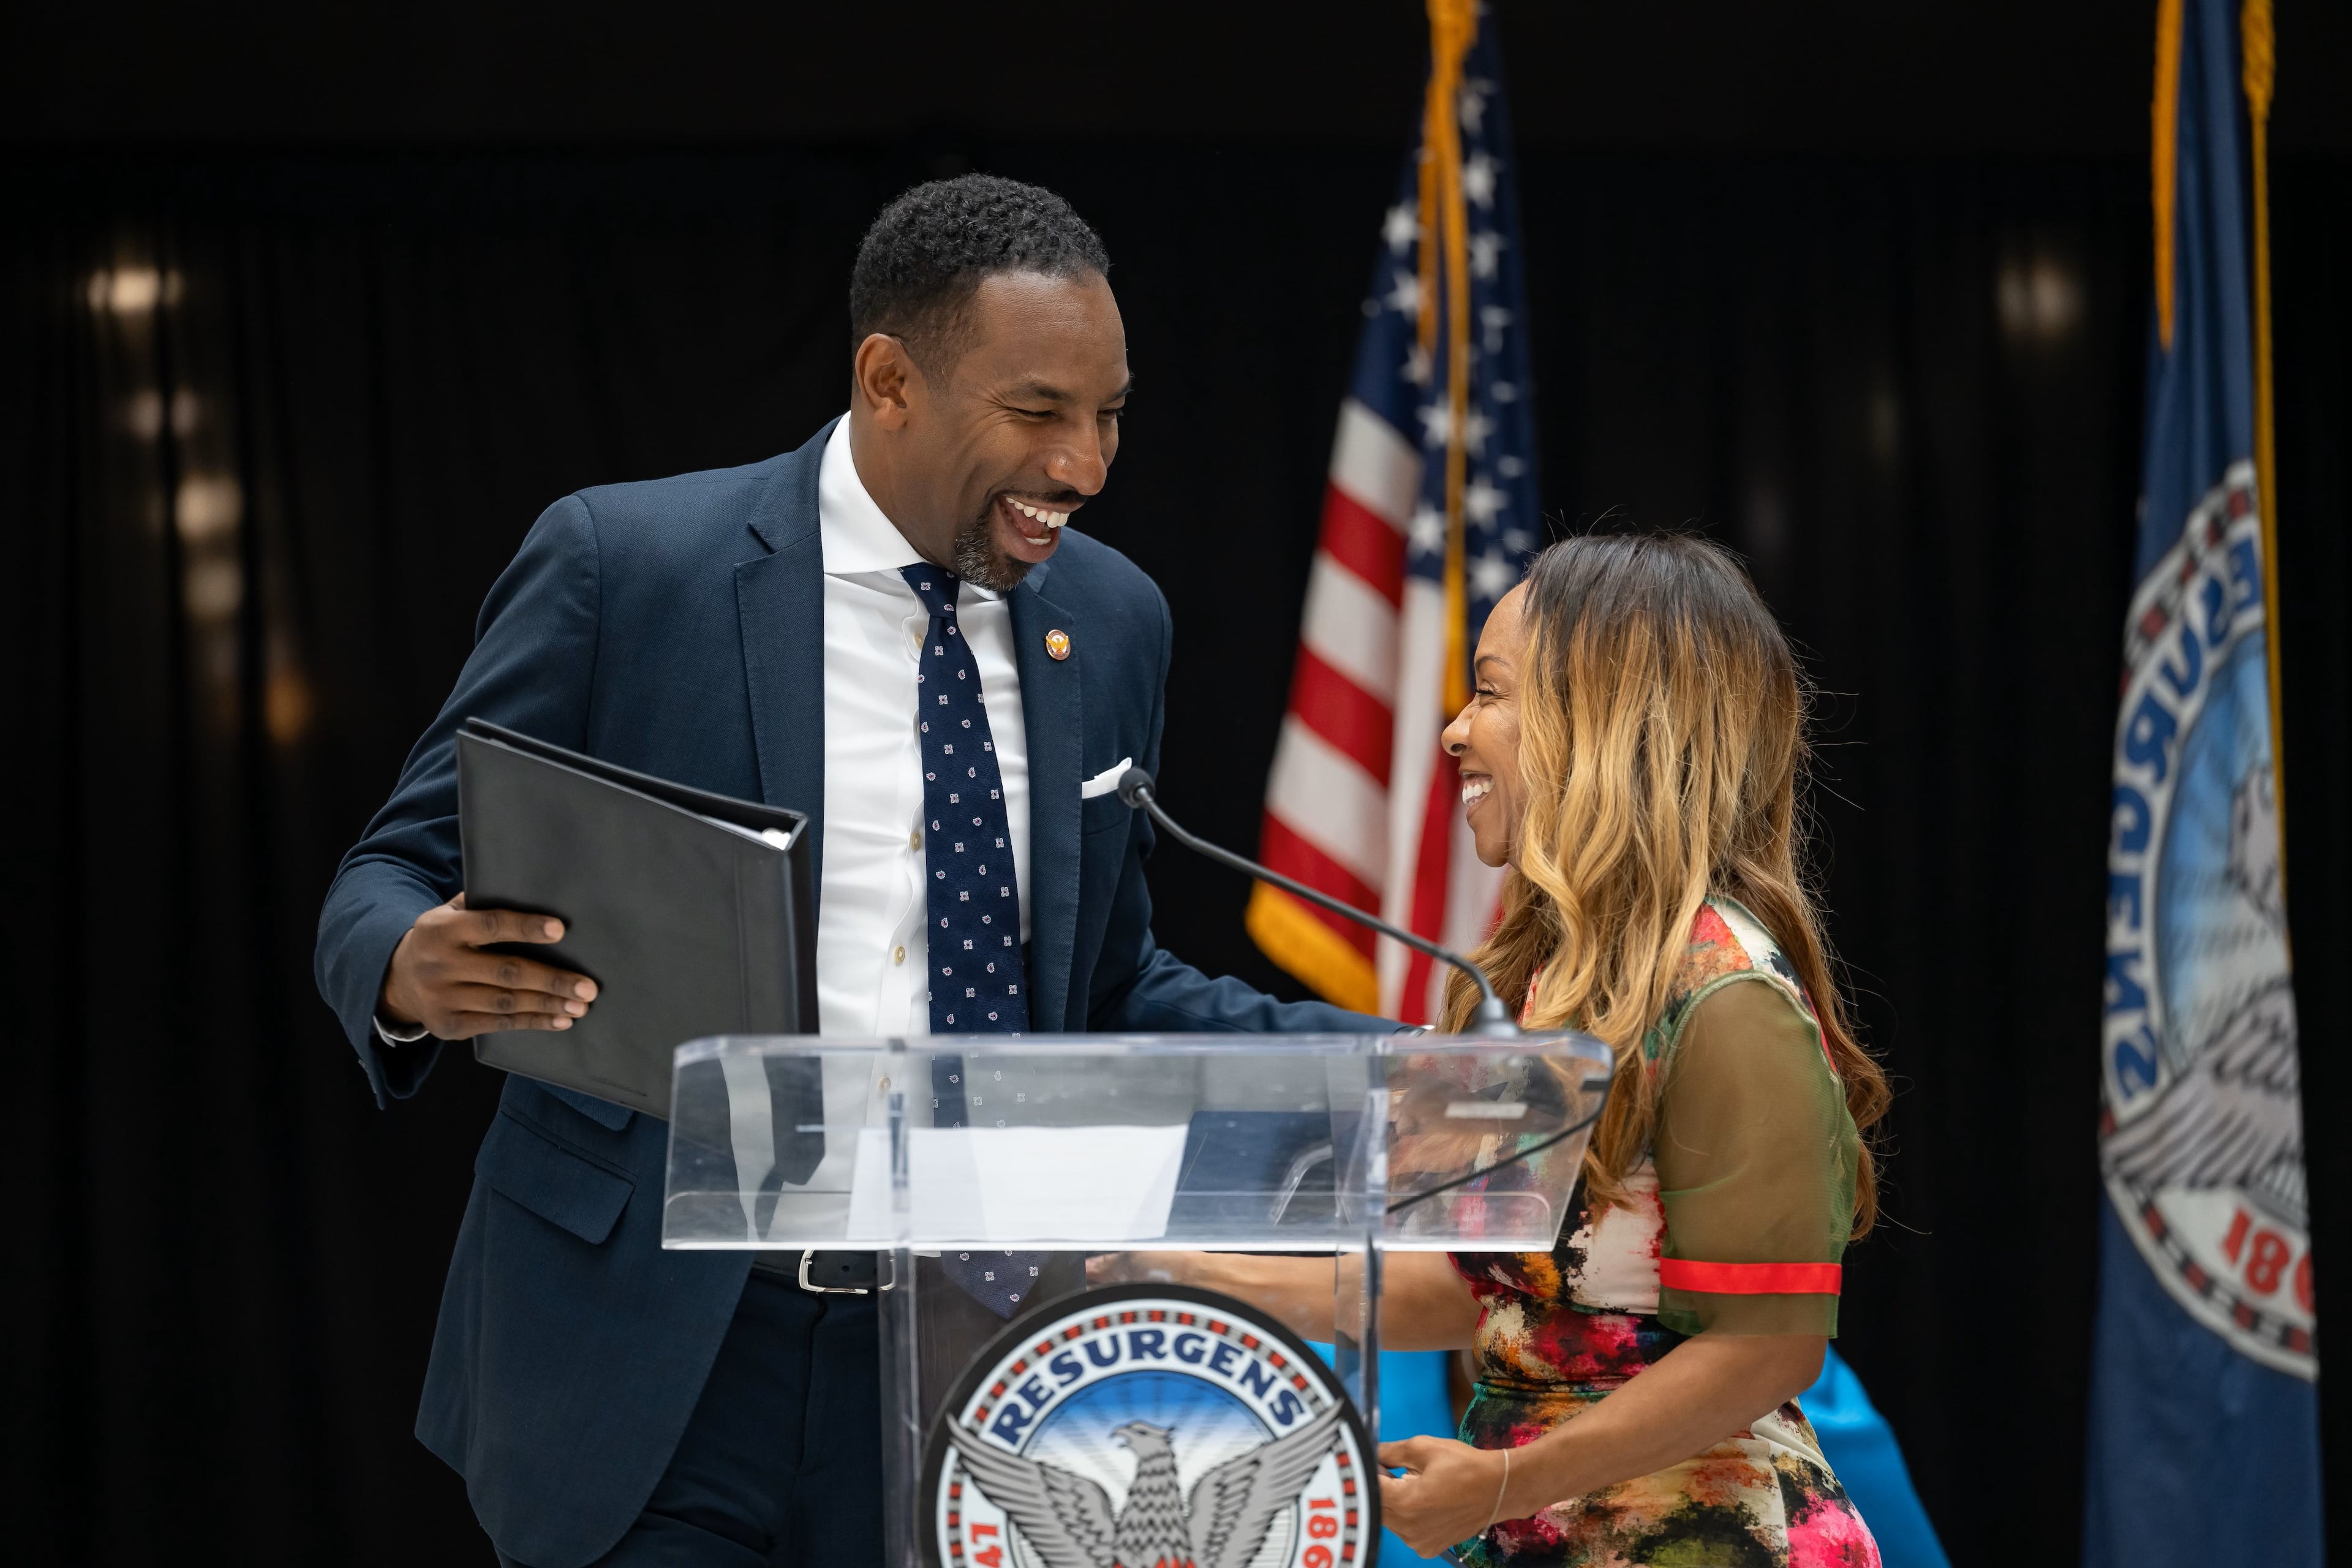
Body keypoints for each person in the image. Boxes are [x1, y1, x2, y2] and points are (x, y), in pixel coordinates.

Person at [312, 175, 1375, 1568]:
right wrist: (408, 966)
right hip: (658, 1351)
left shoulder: (1114, 620)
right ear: (889, 382)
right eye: (1039, 411)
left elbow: (1109, 984)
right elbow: (390, 871)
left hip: (969, 1356)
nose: (1087, 464)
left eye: (1111, 412)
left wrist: (1390, 1067)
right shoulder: (630, 565)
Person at [1095, 533, 1891, 1566]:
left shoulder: (1729, 996)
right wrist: (1191, 1274)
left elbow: (1769, 1350)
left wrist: (1508, 1482)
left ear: (1602, 721)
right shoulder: (1520, 985)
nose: (1455, 730)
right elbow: (1480, 1290)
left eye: (1491, 693)